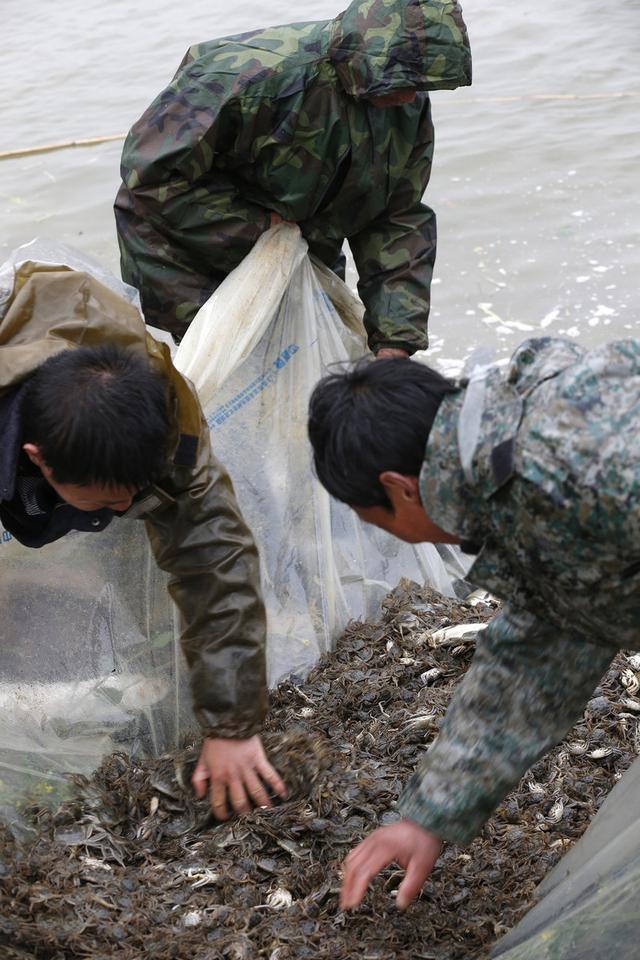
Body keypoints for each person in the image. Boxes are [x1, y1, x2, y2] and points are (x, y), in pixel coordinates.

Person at [307, 338, 640, 909]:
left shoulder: (569, 473)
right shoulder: (509, 442)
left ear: (398, 488)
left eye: (376, 522)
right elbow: (539, 646)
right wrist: (427, 816)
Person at [0, 256, 287, 820]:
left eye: (132, 492)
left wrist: (232, 725)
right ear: (39, 462)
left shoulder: (164, 417)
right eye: (108, 500)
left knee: (166, 536)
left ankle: (164, 702)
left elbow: (214, 556)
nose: (125, 508)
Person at [114, 0, 471, 358]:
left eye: (421, 82)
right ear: (368, 57)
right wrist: (262, 227)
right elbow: (150, 179)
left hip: (299, 257)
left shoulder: (401, 101)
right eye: (406, 79)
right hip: (184, 258)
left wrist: (396, 341)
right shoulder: (244, 78)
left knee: (313, 368)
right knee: (209, 385)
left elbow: (396, 217)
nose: (411, 95)